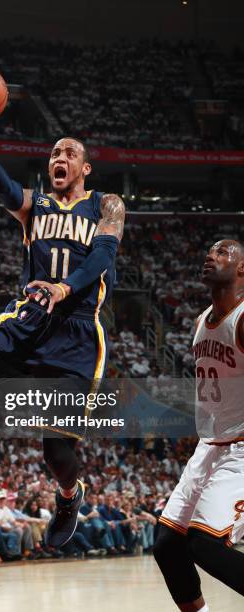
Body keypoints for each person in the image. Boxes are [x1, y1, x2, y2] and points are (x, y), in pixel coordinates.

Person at [0, 91, 125, 549]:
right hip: (27, 317)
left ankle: (70, 497)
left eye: (70, 152)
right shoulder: (35, 205)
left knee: (56, 451)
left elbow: (103, 258)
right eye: (55, 152)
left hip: (75, 331)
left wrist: (65, 286)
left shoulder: (107, 205)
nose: (60, 157)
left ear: (85, 168)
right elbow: (1, 186)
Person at [154, 239, 244, 611]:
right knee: (166, 544)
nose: (210, 256)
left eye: (223, 252)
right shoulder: (199, 321)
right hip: (209, 444)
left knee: (203, 542)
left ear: (242, 269)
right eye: (209, 251)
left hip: (241, 445)